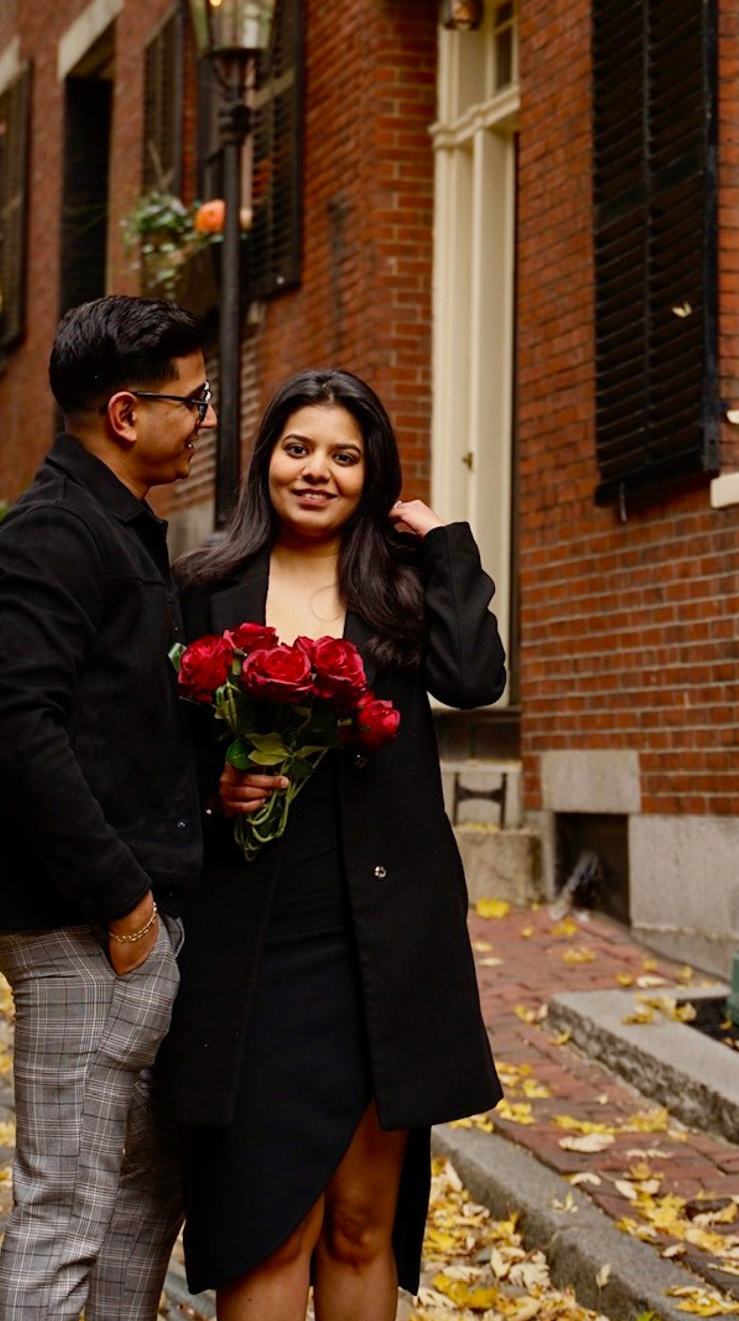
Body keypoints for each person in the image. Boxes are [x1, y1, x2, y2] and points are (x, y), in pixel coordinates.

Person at [159, 368, 507, 1320]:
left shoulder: (400, 588)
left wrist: (446, 544)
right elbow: (156, 757)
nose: (318, 471)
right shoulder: (203, 587)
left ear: (372, 475)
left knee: (360, 1224)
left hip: (381, 946)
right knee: (267, 1227)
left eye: (345, 456)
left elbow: (474, 678)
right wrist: (215, 793)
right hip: (255, 948)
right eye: (298, 448)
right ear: (266, 459)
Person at [0, 295, 216, 1321]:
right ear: (125, 413)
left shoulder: (117, 528)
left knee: (143, 1193)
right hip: (81, 924)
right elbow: (15, 728)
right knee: (66, 1207)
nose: (204, 419)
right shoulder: (53, 534)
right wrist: (124, 905)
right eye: (192, 400)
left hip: (121, 919)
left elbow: (114, 723)